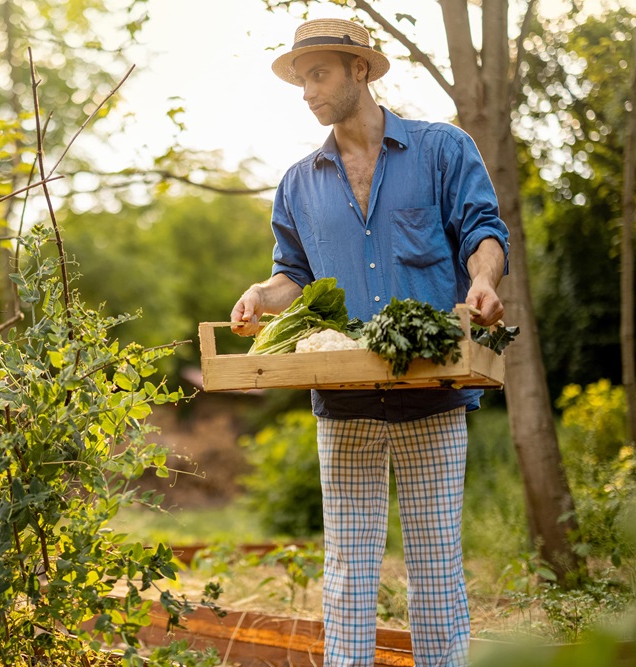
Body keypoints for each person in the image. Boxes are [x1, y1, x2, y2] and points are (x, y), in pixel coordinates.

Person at [230, 17, 510, 667]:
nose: (307, 90)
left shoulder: (443, 149)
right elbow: (290, 276)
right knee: (349, 572)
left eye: (319, 74)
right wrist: (259, 298)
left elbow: (483, 233)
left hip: (432, 393)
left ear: (360, 71)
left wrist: (484, 284)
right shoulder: (299, 181)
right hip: (343, 399)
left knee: (437, 569)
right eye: (301, 79)